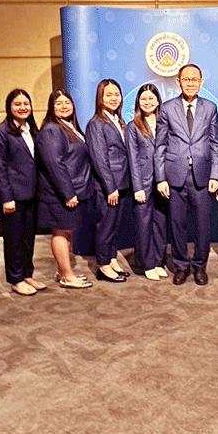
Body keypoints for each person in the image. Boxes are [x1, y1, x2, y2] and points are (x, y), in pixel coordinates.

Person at [155, 64, 218, 286]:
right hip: (175, 176)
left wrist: (216, 175)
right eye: (186, 79)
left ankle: (200, 265)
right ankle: (181, 266)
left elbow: (215, 144)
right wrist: (160, 178)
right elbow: (160, 145)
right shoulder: (167, 109)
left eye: (195, 79)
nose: (191, 83)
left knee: (203, 225)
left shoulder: (210, 108)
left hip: (202, 176)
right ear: (178, 82)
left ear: (201, 82)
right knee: (177, 225)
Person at [36, 89, 94, 289]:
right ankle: (67, 276)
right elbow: (55, 164)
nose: (64, 106)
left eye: (67, 102)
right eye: (58, 103)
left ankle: (64, 271)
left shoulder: (69, 126)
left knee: (66, 231)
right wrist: (68, 192)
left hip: (72, 189)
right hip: (60, 193)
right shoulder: (52, 129)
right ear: (51, 108)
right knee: (61, 232)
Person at [0, 89, 46, 296]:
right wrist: (6, 198)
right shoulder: (1, 132)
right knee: (14, 239)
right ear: (9, 107)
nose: (23, 108)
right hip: (12, 197)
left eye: (26, 104)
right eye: (17, 104)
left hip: (32, 193)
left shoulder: (31, 129)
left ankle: (27, 274)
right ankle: (16, 278)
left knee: (28, 237)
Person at [85, 79, 132, 283]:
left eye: (116, 94)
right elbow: (99, 158)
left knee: (114, 226)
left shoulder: (118, 121)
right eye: (109, 95)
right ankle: (103, 266)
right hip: (108, 186)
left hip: (122, 183)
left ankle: (111, 260)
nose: (114, 98)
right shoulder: (96, 124)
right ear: (100, 98)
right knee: (105, 227)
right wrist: (110, 187)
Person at [126, 84, 169, 281]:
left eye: (151, 98)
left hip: (162, 181)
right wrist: (137, 187)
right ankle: (146, 264)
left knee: (160, 223)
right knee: (144, 225)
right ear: (138, 102)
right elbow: (133, 159)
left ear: (158, 101)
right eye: (143, 99)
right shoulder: (132, 127)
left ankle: (158, 261)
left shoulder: (165, 123)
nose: (147, 102)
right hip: (142, 183)